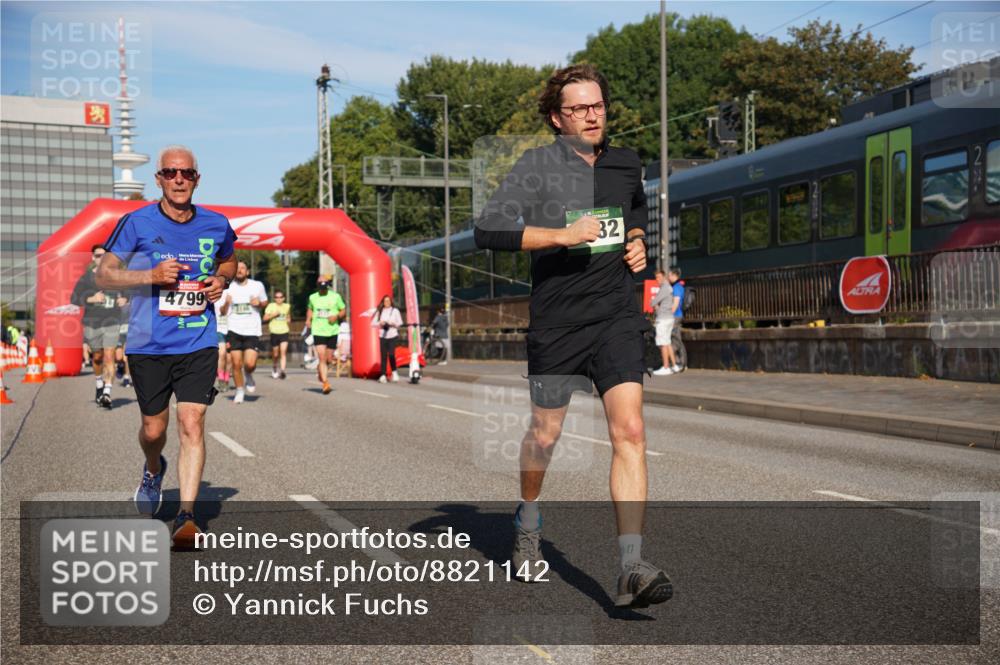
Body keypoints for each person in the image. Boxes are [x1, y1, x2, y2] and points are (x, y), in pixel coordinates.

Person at [474, 64, 672, 608]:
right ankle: (528, 520)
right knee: (545, 436)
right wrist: (561, 235)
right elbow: (488, 229)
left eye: (598, 105)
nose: (591, 115)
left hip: (616, 316)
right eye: (579, 108)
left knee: (631, 431)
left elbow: (635, 209)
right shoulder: (536, 167)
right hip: (558, 321)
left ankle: (631, 567)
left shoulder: (626, 162)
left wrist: (638, 241)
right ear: (557, 119)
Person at [96, 144, 237, 546]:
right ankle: (154, 467)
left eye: (186, 173)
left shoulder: (216, 223)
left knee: (191, 422)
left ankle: (186, 517)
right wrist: (151, 276)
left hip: (198, 339)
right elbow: (104, 275)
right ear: (159, 179)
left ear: (197, 179)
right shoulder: (136, 222)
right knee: (153, 429)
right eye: (171, 173)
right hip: (149, 343)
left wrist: (221, 280)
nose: (179, 179)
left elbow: (228, 260)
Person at [71, 244, 127, 409]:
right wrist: (91, 299)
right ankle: (99, 383)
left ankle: (107, 393)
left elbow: (129, 292)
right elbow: (74, 298)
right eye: (97, 255)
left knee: (109, 356)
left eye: (104, 255)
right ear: (93, 258)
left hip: (112, 322)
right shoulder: (87, 278)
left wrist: (125, 299)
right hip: (92, 323)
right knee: (97, 357)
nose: (101, 258)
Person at [220, 261, 267, 404]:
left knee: (250, 364)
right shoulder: (228, 288)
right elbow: (222, 312)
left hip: (252, 330)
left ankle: (249, 374)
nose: (240, 270)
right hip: (233, 329)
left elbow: (265, 302)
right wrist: (227, 303)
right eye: (237, 268)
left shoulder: (257, 285)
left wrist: (259, 303)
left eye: (242, 268)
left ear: (247, 272)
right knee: (236, 364)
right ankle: (239, 391)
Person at [304, 276, 345, 394]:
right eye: (321, 287)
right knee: (321, 356)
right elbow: (310, 309)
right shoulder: (313, 297)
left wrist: (336, 316)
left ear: (328, 286)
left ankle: (320, 369)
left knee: (329, 359)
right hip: (318, 330)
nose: (323, 289)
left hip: (332, 331)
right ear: (317, 286)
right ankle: (325, 383)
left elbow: (343, 310)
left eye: (325, 287)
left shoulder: (336, 296)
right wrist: (308, 319)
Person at [651, 268, 683, 376]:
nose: (657, 279)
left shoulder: (664, 288)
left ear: (663, 277)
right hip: (669, 318)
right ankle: (674, 366)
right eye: (656, 277)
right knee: (668, 342)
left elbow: (653, 302)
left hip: (663, 319)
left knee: (662, 343)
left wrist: (654, 303)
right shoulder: (669, 287)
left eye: (659, 277)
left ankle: (665, 367)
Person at [370, 295, 403, 383]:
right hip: (383, 336)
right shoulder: (380, 311)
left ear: (391, 302)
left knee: (391, 354)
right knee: (383, 356)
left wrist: (393, 324)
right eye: (385, 301)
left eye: (388, 301)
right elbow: (372, 323)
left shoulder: (395, 311)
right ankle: (383, 375)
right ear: (383, 303)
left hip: (393, 335)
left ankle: (394, 372)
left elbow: (400, 323)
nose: (387, 303)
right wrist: (380, 323)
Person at [263, 289, 291, 379]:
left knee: (283, 352)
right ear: (274, 298)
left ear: (283, 298)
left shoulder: (287, 306)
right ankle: (274, 368)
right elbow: (264, 318)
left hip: (284, 331)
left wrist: (288, 320)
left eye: (280, 297)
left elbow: (288, 316)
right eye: (276, 297)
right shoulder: (271, 306)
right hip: (274, 332)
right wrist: (273, 315)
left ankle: (282, 371)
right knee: (275, 354)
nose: (279, 299)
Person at [214, 297, 232, 392]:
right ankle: (221, 379)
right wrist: (227, 302)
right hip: (219, 330)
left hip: (231, 331)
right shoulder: (216, 297)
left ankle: (226, 379)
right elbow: (222, 311)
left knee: (229, 359)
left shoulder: (234, 295)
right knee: (222, 354)